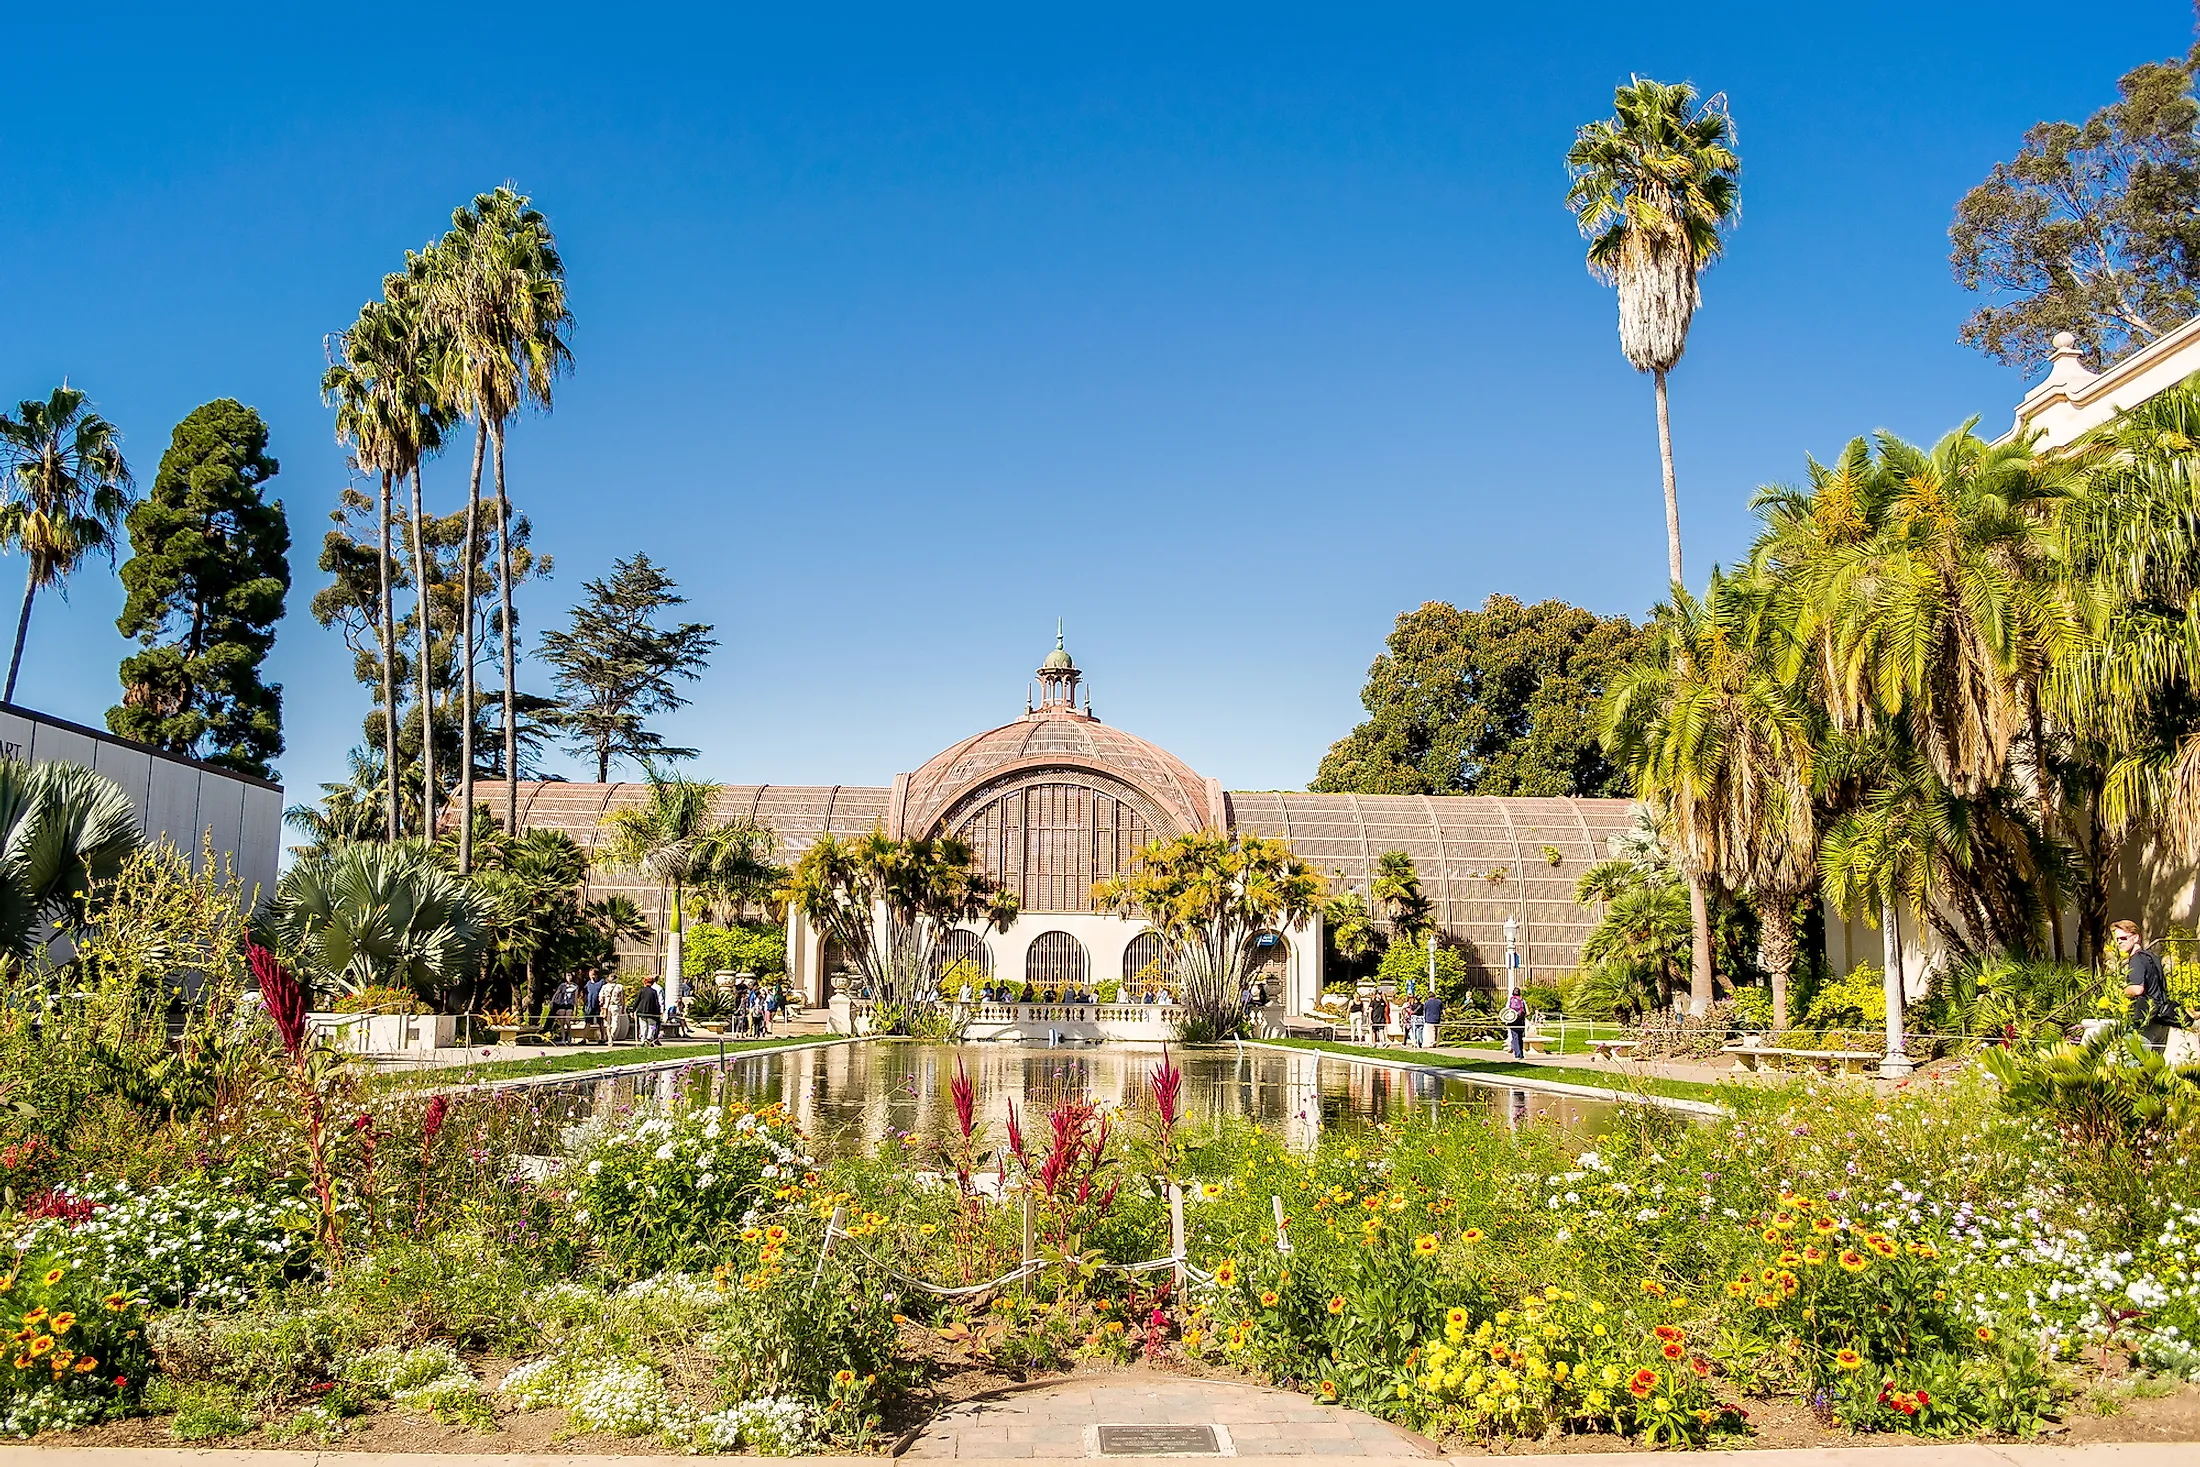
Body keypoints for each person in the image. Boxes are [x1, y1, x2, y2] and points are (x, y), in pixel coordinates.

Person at [2114, 918, 2181, 1050]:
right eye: (2117, 939)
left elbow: (2137, 989)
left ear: (2136, 938)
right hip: (2161, 1018)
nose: (2119, 942)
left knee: (2132, 1061)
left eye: (2123, 938)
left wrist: (2121, 991)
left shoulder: (2136, 960)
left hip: (2145, 1018)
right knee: (2154, 1066)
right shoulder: (2152, 957)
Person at [632, 975, 665, 1046]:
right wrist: (659, 1012)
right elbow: (656, 1002)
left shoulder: (642, 991)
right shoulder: (654, 992)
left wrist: (633, 1010)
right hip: (652, 1013)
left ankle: (643, 1040)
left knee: (643, 1026)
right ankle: (649, 1037)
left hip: (642, 1012)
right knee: (652, 1026)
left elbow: (637, 1001)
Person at [547, 974, 580, 1043]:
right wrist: (552, 1002)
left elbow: (575, 998)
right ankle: (563, 1038)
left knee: (568, 1021)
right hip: (562, 1004)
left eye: (570, 976)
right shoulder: (562, 985)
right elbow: (556, 993)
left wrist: (576, 1009)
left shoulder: (575, 986)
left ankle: (569, 1036)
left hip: (569, 1005)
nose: (569, 977)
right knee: (562, 1022)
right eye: (568, 976)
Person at [583, 967, 608, 1044]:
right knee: (587, 1023)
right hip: (590, 1006)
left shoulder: (601, 982)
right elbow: (585, 994)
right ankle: (584, 1039)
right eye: (590, 975)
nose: (592, 977)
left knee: (600, 1022)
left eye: (593, 975)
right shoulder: (588, 984)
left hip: (598, 1006)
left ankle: (603, 1038)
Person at [1503, 990, 1529, 1060]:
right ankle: (1521, 1054)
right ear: (1520, 993)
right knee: (1520, 1037)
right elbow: (1527, 1012)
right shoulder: (1523, 1000)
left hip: (1512, 1021)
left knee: (1515, 1037)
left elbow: (1506, 1011)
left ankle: (1517, 1055)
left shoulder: (1510, 1001)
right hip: (1521, 1021)